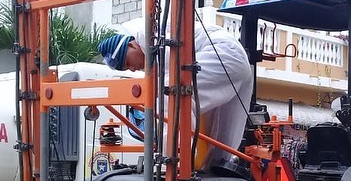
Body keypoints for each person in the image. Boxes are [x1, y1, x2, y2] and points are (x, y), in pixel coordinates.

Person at [97, 19, 253, 169]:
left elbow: (165, 83)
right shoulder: (151, 41)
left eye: (127, 62)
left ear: (131, 45)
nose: (132, 69)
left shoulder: (149, 37)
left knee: (171, 92)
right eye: (126, 69)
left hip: (224, 53)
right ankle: (216, 165)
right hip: (231, 56)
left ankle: (176, 161)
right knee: (217, 129)